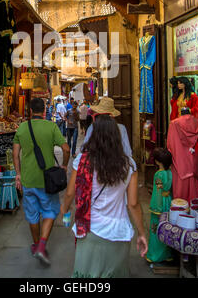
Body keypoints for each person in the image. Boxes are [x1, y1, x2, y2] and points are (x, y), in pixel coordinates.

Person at [61, 115, 147, 278]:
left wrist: (64, 209)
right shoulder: (128, 164)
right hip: (118, 232)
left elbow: (70, 193)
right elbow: (133, 204)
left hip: (89, 229)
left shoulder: (82, 160)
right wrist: (142, 233)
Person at [13, 97, 70, 266]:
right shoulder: (51, 126)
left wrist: (18, 174)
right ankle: (42, 245)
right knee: (50, 212)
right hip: (47, 180)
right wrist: (64, 166)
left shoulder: (22, 128)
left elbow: (15, 155)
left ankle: (36, 244)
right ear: (44, 111)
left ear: (30, 111)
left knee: (32, 215)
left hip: (28, 179)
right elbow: (66, 149)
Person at [167, 106, 198, 204]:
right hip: (193, 162)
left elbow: (170, 145)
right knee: (194, 192)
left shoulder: (174, 124)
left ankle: (180, 213)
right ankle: (195, 210)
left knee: (180, 193)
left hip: (180, 162)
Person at [146, 148, 173, 264]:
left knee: (155, 229)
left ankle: (155, 255)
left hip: (160, 203)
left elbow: (157, 192)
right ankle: (167, 254)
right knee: (166, 228)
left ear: (157, 161)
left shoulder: (158, 174)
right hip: (168, 201)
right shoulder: (170, 172)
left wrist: (155, 207)